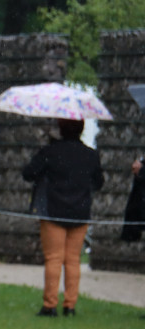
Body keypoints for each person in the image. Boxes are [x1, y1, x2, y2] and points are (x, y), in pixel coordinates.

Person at [22, 118, 104, 317]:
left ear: (60, 129)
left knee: (53, 258)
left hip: (53, 211)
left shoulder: (50, 152)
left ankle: (50, 304)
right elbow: (99, 182)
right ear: (82, 129)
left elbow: (29, 173)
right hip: (80, 213)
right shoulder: (90, 155)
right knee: (73, 260)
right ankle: (70, 305)